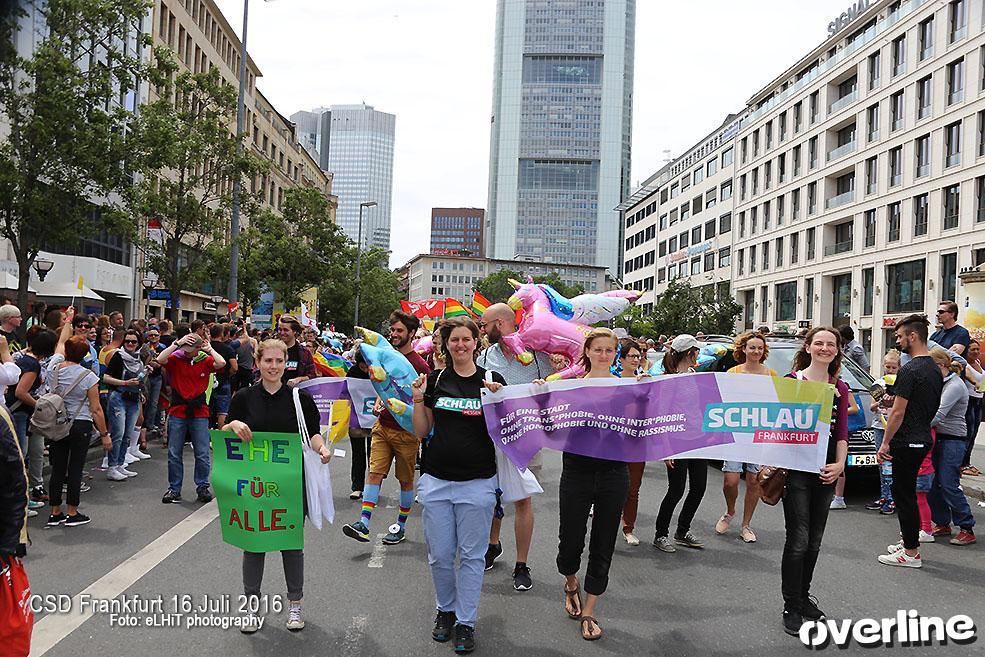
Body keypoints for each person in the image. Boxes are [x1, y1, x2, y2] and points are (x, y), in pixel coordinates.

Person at [223, 338, 332, 634]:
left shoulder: (300, 399)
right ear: (258, 363)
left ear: (286, 363)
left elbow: (312, 433)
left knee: (291, 546)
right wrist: (233, 426)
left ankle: (295, 605)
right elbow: (224, 432)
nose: (273, 366)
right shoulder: (243, 398)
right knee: (253, 546)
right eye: (268, 361)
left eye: (279, 361)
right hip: (254, 485)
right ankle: (251, 607)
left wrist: (322, 449)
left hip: (290, 485)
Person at [410, 317, 505, 654]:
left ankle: (466, 622)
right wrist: (418, 399)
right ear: (445, 344)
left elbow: (508, 430)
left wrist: (499, 400)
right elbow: (422, 431)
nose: (461, 345)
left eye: (467, 339)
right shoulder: (435, 380)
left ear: (476, 343)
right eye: (454, 340)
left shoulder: (492, 380)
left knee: (472, 557)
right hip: (436, 480)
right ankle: (445, 610)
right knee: (439, 555)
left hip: (477, 483)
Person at [547, 327, 630, 642]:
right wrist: (542, 395)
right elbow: (551, 424)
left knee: (603, 542)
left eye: (610, 350)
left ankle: (590, 609)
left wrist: (647, 393)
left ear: (615, 354)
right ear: (587, 352)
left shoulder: (627, 388)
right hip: (577, 471)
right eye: (598, 349)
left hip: (614, 472)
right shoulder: (571, 387)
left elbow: (646, 422)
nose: (604, 355)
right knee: (570, 540)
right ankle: (571, 583)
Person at [780, 327, 849, 635]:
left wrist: (840, 465)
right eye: (818, 343)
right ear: (807, 347)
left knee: (815, 541)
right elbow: (778, 427)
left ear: (837, 350)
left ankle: (803, 597)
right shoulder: (792, 382)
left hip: (826, 471)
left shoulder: (840, 387)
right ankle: (791, 605)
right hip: (796, 471)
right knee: (798, 540)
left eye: (830, 344)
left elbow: (842, 433)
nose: (824, 348)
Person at [476, 303, 549, 589]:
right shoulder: (485, 355)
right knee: (493, 495)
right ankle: (492, 545)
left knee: (523, 499)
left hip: (527, 437)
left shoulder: (537, 354)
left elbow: (552, 388)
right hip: (494, 436)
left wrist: (545, 385)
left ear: (501, 323)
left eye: (485, 325)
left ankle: (521, 564)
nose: (483, 330)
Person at [342, 310, 430, 546]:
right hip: (382, 426)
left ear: (412, 333)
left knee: (405, 481)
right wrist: (380, 401)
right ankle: (363, 524)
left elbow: (423, 400)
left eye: (400, 330)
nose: (394, 334)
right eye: (392, 330)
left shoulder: (419, 364)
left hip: (407, 433)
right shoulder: (383, 355)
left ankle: (400, 526)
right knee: (375, 473)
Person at [876, 315, 943, 569]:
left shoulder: (909, 369)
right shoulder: (934, 368)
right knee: (908, 495)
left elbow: (897, 413)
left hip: (906, 440)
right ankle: (908, 541)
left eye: (899, 336)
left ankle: (911, 553)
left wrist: (885, 443)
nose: (897, 341)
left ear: (912, 336)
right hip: (923, 436)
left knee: (903, 496)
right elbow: (919, 402)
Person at [44, 311, 111, 527]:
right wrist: (104, 434)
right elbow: (96, 409)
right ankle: (72, 512)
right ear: (84, 356)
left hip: (57, 422)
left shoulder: (53, 367)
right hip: (80, 423)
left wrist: (68, 320)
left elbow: (61, 341)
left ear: (66, 351)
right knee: (75, 467)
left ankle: (55, 511)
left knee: (57, 468)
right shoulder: (88, 376)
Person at [718, 331, 775, 543]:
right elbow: (724, 400)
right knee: (730, 481)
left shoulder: (771, 375)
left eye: (760, 348)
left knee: (754, 481)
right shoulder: (732, 373)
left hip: (759, 435)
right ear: (744, 349)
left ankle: (746, 525)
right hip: (735, 433)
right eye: (752, 347)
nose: (756, 351)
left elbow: (778, 404)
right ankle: (730, 511)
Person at [157, 327, 225, 504]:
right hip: (178, 410)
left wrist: (210, 349)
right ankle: (174, 489)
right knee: (174, 452)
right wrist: (177, 344)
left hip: (199, 411)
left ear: (198, 348)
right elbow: (160, 359)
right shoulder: (176, 358)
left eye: (190, 349)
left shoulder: (205, 360)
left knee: (202, 453)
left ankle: (202, 487)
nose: (186, 352)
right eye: (185, 349)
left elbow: (221, 363)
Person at [653, 334, 707, 553]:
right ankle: (661, 534)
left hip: (698, 440)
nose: (699, 355)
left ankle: (682, 530)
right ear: (689, 353)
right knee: (676, 490)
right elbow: (662, 414)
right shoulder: (670, 380)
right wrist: (666, 448)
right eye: (697, 351)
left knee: (699, 488)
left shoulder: (695, 375)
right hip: (677, 441)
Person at [924, 347, 976, 547]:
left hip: (953, 440)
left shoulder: (954, 385)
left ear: (940, 365)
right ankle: (943, 522)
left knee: (948, 483)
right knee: (932, 483)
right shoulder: (941, 382)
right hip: (938, 438)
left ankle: (966, 527)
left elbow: (938, 414)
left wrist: (915, 427)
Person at [102, 329, 145, 482]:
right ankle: (112, 467)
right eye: (127, 341)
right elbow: (105, 377)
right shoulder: (118, 356)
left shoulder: (138, 358)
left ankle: (120, 464)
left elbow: (139, 379)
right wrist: (125, 383)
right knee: (118, 433)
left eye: (133, 341)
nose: (130, 344)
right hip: (118, 397)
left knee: (127, 434)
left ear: (138, 343)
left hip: (133, 398)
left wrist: (140, 389)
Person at [618, 339, 647, 546]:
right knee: (609, 487)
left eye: (638, 356)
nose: (636, 359)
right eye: (631, 356)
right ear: (621, 359)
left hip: (637, 442)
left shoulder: (645, 381)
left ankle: (628, 528)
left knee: (633, 488)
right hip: (614, 442)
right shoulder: (611, 381)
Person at [866, 350, 901, 515]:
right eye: (888, 367)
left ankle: (893, 498)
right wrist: (882, 401)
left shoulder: (901, 383)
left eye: (894, 367)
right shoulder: (878, 383)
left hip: (894, 428)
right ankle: (884, 496)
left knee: (892, 464)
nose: (890, 370)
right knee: (882, 463)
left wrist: (893, 400)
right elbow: (872, 406)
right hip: (879, 426)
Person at [345, 348, 372, 500]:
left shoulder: (378, 372)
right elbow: (345, 392)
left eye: (367, 366)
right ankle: (357, 487)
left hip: (375, 418)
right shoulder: (352, 373)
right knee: (358, 454)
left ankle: (372, 487)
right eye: (362, 366)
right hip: (357, 418)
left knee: (374, 455)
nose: (365, 370)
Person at [208, 323, 237, 428]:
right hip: (224, 381)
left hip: (207, 382)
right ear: (222, 334)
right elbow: (235, 367)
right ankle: (221, 433)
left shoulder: (205, 348)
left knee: (206, 409)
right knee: (223, 411)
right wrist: (228, 373)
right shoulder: (228, 349)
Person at [961, 340, 983, 476]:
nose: (976, 352)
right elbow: (970, 378)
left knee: (974, 433)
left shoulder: (978, 363)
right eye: (972, 349)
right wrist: (975, 383)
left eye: (977, 349)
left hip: (978, 401)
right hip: (969, 400)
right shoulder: (965, 365)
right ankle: (961, 464)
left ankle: (967, 462)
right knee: (968, 433)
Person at [276, 316, 315, 386]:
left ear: (294, 331)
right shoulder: (271, 350)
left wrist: (299, 379)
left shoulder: (305, 353)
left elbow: (312, 376)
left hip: (296, 391)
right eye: (280, 329)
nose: (282, 333)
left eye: (285, 330)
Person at [140, 326, 164, 439]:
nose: (153, 337)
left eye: (155, 335)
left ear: (159, 336)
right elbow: (143, 363)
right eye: (151, 335)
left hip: (157, 377)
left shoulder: (163, 347)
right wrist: (150, 357)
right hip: (146, 377)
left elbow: (163, 362)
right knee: (145, 401)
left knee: (154, 402)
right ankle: (143, 424)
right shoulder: (144, 348)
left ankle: (150, 424)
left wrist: (158, 364)